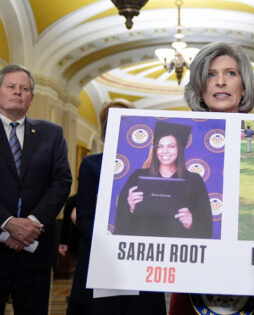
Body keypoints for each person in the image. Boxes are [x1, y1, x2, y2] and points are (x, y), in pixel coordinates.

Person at [170, 42, 254, 315]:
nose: (220, 81)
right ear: (200, 87)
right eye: (210, 74)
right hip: (196, 277)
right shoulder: (178, 140)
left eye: (230, 73)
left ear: (244, 87)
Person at [67, 99, 166, 315]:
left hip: (142, 257)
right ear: (104, 130)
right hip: (102, 257)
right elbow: (84, 218)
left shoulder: (152, 167)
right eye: (112, 121)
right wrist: (114, 245)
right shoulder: (92, 164)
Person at [0, 64, 72, 315]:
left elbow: (61, 182)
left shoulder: (51, 133)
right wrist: (8, 223)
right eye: (11, 86)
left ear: (31, 97)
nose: (18, 92)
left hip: (36, 251)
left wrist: (30, 224)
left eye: (25, 88)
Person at [113, 120, 213, 238]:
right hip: (144, 247)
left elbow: (206, 227)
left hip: (178, 248)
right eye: (160, 146)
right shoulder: (138, 177)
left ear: (179, 149)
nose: (164, 151)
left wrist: (191, 222)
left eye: (171, 146)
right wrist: (129, 206)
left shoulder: (194, 180)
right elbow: (121, 224)